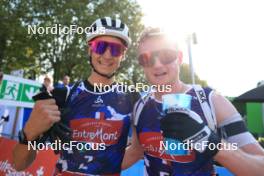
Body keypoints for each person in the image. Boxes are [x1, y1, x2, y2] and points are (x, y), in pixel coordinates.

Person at [122, 27, 264, 176]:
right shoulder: (140, 107)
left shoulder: (211, 101)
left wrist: (210, 142)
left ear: (180, 58)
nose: (157, 64)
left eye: (166, 55)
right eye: (147, 58)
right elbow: (135, 152)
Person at [13, 17, 134, 175]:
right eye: (100, 46)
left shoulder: (132, 98)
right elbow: (19, 164)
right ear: (89, 50)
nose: (107, 55)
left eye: (116, 49)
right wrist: (29, 131)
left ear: (123, 55)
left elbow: (145, 150)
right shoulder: (63, 95)